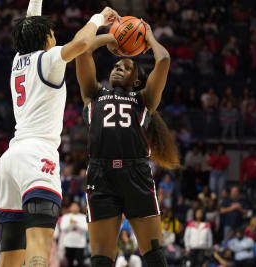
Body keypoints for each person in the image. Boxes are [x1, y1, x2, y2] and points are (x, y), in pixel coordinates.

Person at [0, 0, 119, 266]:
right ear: (44, 39)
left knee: (10, 255)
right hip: (37, 156)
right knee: (39, 247)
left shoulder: (19, 60)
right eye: (51, 34)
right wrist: (99, 18)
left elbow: (30, 22)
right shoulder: (50, 58)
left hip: (11, 158)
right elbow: (81, 44)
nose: (54, 37)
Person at [75, 18, 180, 267]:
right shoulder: (94, 93)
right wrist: (110, 39)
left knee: (155, 255)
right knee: (101, 259)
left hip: (136, 173)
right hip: (101, 175)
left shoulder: (144, 99)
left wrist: (149, 37)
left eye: (126, 66)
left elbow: (163, 60)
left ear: (136, 81)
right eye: (116, 65)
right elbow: (83, 52)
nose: (118, 68)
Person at [59, 202, 87, 267]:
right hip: (69, 243)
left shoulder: (83, 217)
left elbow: (86, 229)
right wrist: (71, 225)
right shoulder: (65, 216)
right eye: (73, 206)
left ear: (79, 207)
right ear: (70, 208)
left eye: (76, 206)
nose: (74, 207)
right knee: (69, 262)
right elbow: (63, 228)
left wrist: (76, 224)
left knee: (80, 262)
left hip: (80, 244)